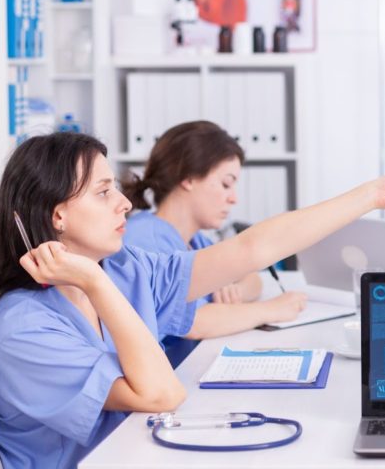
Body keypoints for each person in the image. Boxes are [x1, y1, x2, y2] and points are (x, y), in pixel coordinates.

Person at [0, 131, 385, 469]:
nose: (125, 205)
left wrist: (372, 196)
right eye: (103, 192)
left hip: (139, 458)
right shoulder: (23, 329)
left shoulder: (123, 269)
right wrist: (95, 284)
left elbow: (249, 251)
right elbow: (161, 395)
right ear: (58, 215)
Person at [121, 121, 307, 344]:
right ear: (188, 178)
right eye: (226, 184)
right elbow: (194, 322)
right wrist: (270, 310)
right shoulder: (145, 238)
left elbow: (252, 278)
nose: (233, 198)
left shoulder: (195, 240)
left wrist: (233, 289)